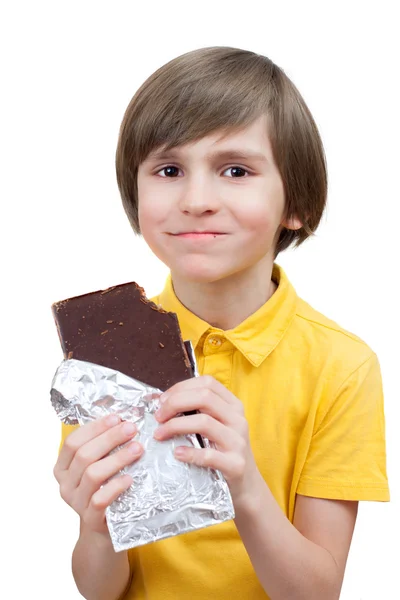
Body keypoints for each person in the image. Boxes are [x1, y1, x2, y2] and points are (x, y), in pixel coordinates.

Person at [53, 46, 390, 600]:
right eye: (168, 169)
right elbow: (99, 589)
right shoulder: (102, 356)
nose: (197, 199)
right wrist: (95, 524)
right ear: (136, 196)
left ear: (295, 203)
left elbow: (316, 593)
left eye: (236, 170)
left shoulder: (342, 368)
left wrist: (246, 486)